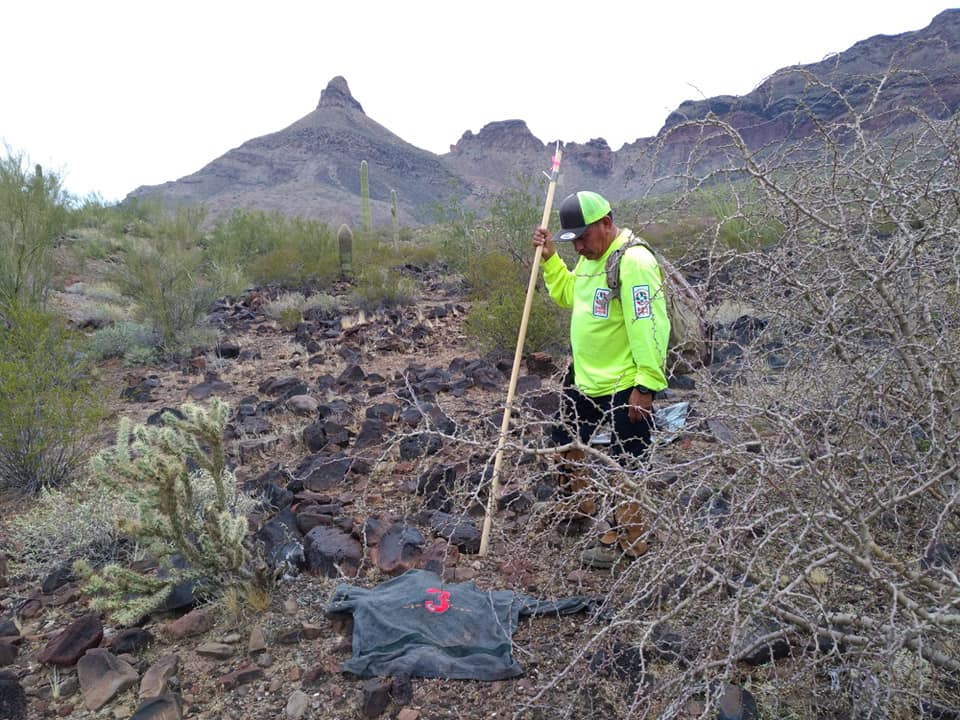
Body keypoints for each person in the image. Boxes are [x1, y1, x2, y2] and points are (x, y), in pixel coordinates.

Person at [533, 190, 670, 568]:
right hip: (585, 379)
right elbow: (569, 296)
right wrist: (550, 260)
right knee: (564, 442)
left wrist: (646, 386)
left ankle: (630, 541)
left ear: (607, 223)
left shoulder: (634, 261)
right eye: (571, 240)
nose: (578, 246)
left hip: (625, 383)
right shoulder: (592, 258)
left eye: (583, 237)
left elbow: (650, 326)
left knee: (629, 461)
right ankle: (579, 505)